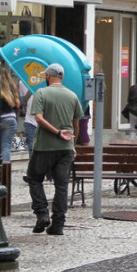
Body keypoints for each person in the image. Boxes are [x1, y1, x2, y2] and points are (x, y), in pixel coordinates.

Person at [26, 63, 84, 236]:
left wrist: (57, 132)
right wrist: (73, 145)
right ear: (62, 77)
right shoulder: (72, 96)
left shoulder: (42, 93)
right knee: (62, 185)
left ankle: (42, 213)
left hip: (44, 146)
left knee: (34, 178)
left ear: (48, 76)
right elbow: (76, 123)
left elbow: (38, 118)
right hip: (65, 148)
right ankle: (58, 224)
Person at [0, 67, 20, 162]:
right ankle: (5, 171)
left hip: (0, 119)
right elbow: (20, 105)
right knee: (6, 146)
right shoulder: (13, 88)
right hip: (11, 119)